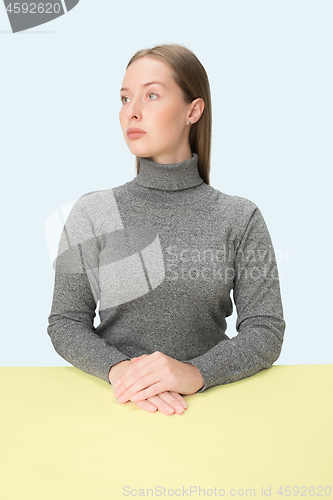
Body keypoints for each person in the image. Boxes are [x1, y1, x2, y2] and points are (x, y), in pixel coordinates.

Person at [47, 43, 286, 417]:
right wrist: (122, 372)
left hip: (214, 411)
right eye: (125, 99)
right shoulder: (93, 212)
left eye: (151, 95)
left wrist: (194, 373)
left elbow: (265, 331)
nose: (132, 112)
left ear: (193, 110)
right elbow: (66, 322)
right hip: (112, 409)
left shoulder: (239, 217)